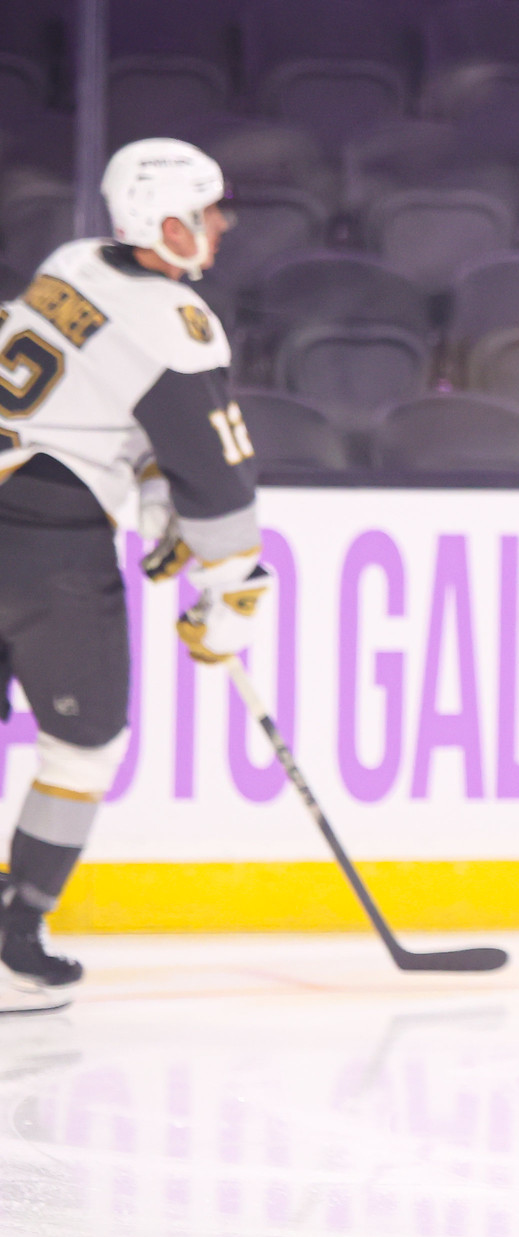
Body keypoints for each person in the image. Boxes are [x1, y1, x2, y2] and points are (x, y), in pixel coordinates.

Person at [0, 139, 272, 1014]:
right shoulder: (177, 326)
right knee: (84, 745)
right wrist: (232, 592)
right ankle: (12, 944)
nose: (220, 224)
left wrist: (148, 486)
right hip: (47, 552)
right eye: (206, 211)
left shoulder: (70, 262)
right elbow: (217, 477)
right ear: (164, 223)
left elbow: (97, 395)